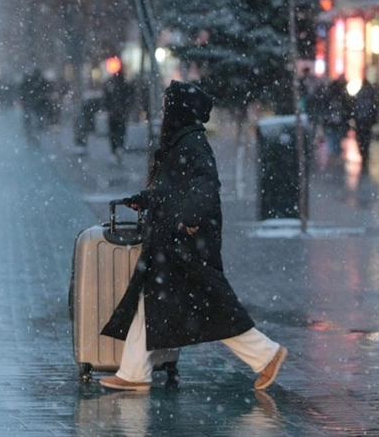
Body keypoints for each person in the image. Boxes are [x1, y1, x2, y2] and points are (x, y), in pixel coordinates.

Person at [99, 80, 287, 392]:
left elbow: (206, 187)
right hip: (173, 241)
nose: (163, 111)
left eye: (167, 106)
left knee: (210, 307)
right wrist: (145, 199)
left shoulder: (192, 144)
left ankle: (267, 354)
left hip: (184, 243)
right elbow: (173, 187)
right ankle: (133, 373)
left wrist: (187, 219)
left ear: (179, 110)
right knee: (155, 301)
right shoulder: (183, 142)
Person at [102, 67, 134, 163]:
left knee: (113, 132)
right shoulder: (124, 85)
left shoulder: (112, 85)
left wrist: (108, 107)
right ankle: (119, 147)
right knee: (121, 131)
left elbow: (106, 98)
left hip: (114, 113)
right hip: (121, 113)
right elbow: (130, 97)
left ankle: (115, 149)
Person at [323, 76, 351, 163]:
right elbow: (348, 107)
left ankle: (333, 155)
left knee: (332, 138)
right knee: (337, 138)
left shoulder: (329, 95)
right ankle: (336, 155)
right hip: (338, 121)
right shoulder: (342, 95)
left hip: (332, 121)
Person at [352, 79, 378, 169]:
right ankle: (365, 154)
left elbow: (354, 108)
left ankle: (363, 153)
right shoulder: (371, 96)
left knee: (361, 138)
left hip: (360, 120)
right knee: (366, 138)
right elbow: (374, 109)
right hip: (367, 121)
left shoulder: (359, 95)